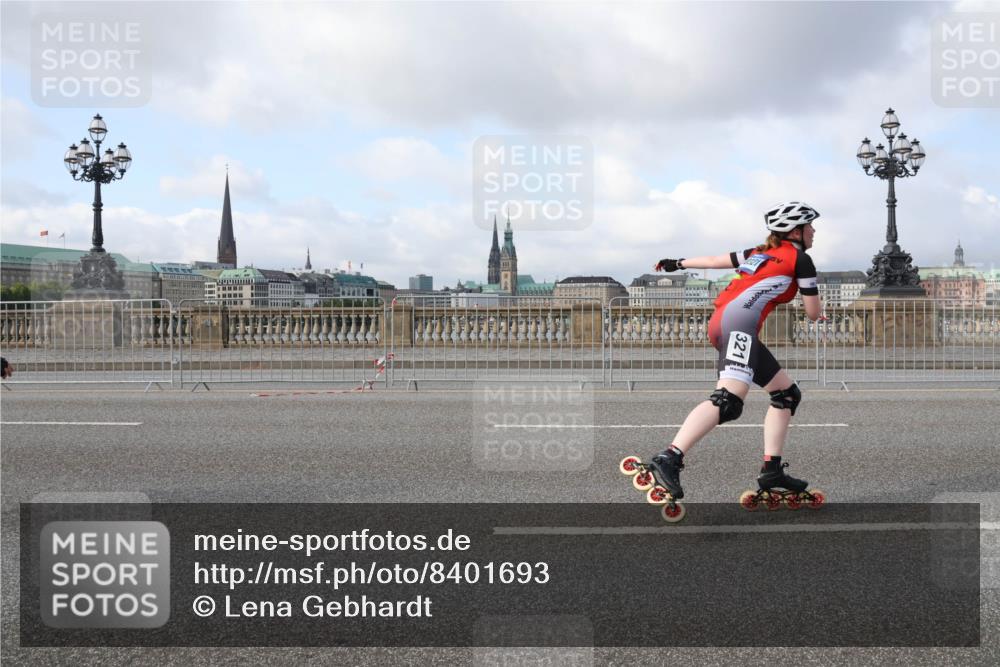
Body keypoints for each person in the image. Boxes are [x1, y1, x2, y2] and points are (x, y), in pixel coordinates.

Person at [648, 201, 824, 501]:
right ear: (796, 231)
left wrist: (678, 263)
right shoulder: (800, 259)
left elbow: (714, 260)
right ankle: (669, 457)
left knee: (786, 394)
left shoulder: (758, 252)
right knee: (728, 400)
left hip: (723, 321)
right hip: (738, 325)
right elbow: (812, 312)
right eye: (809, 226)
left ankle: (772, 470)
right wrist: (819, 311)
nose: (814, 231)